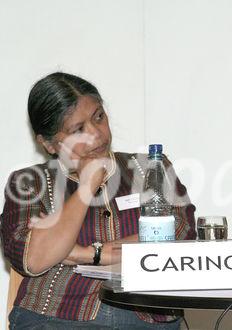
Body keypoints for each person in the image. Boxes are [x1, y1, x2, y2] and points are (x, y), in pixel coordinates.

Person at [1, 72, 196, 329]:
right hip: (55, 317)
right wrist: (86, 186)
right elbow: (32, 258)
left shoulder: (151, 167)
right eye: (78, 130)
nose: (96, 134)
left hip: (148, 317)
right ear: (49, 144)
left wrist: (85, 253)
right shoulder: (29, 182)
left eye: (99, 117)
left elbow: (181, 233)